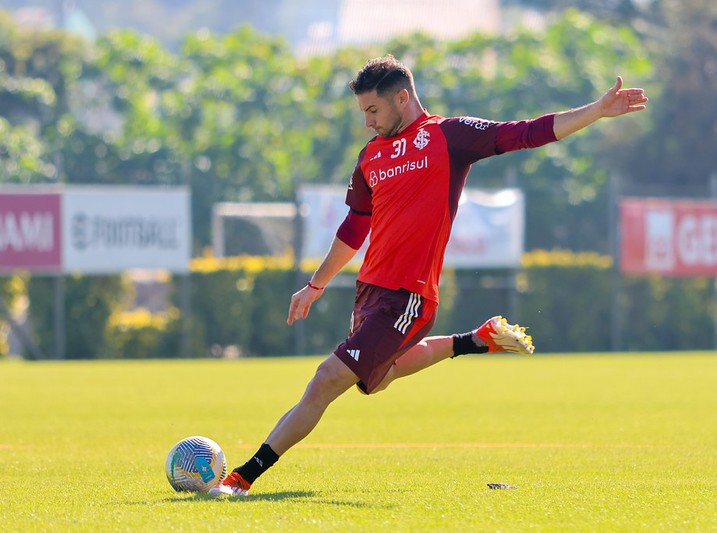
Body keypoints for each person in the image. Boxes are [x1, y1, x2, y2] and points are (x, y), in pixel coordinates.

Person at [210, 54, 647, 496]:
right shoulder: (369, 158)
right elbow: (354, 228)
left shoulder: (447, 136)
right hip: (370, 294)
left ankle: (242, 478)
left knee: (326, 379)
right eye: (363, 112)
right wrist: (316, 285)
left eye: (373, 111)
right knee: (374, 380)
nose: (367, 122)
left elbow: (525, 133)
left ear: (402, 98)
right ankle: (477, 340)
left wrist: (595, 110)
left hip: (408, 297)